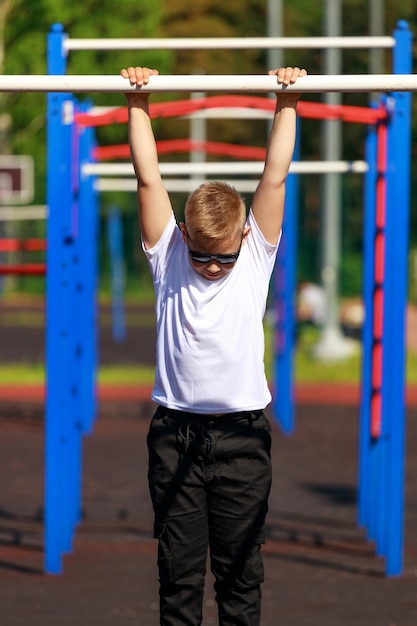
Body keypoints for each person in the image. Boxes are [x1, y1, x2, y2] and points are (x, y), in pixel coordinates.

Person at [120, 64, 307, 626]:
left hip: (242, 437)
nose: (209, 267)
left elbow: (274, 176)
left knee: (239, 577)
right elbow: (148, 176)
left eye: (221, 257)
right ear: (183, 237)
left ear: (245, 234)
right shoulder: (170, 255)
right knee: (178, 580)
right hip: (175, 435)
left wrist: (287, 97)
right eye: (202, 255)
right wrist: (140, 96)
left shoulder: (254, 257)